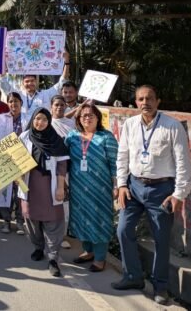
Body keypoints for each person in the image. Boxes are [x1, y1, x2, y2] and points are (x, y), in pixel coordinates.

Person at [112, 85, 191, 305]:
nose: (144, 103)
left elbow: (184, 163)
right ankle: (133, 277)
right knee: (123, 230)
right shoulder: (130, 124)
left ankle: (160, 286)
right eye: (140, 99)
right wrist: (122, 184)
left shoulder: (172, 126)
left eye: (149, 98)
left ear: (158, 101)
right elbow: (122, 155)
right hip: (134, 187)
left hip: (162, 190)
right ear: (136, 102)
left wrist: (178, 194)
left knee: (161, 239)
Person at [64, 102, 118, 273]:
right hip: (78, 188)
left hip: (100, 189)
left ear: (98, 118)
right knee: (81, 219)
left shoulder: (106, 137)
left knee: (99, 220)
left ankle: (100, 258)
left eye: (91, 115)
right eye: (84, 115)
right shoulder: (72, 136)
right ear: (79, 119)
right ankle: (88, 251)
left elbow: (115, 164)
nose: (87, 118)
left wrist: (116, 186)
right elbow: (63, 159)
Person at [18, 108, 69, 277]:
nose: (40, 122)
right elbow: (13, 160)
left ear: (49, 122)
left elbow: (62, 166)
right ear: (32, 119)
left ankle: (53, 258)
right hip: (29, 185)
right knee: (32, 219)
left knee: (53, 221)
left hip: (50, 186)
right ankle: (38, 247)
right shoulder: (24, 137)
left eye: (44, 120)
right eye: (37, 119)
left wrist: (60, 187)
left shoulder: (55, 139)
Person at [0, 52, 71, 119]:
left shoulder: (46, 94)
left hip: (41, 126)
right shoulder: (18, 95)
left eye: (32, 81)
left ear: (36, 82)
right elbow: (4, 84)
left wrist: (67, 62)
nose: (30, 83)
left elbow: (62, 82)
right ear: (23, 83)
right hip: (22, 127)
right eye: (27, 81)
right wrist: (3, 63)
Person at [50, 94, 77, 249]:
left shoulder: (72, 124)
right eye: (56, 105)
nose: (59, 107)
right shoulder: (46, 123)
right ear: (51, 107)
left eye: (62, 105)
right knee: (49, 202)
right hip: (48, 170)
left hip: (66, 169)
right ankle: (49, 234)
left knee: (64, 204)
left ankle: (62, 236)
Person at [0, 92, 25, 235]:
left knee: (20, 192)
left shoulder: (27, 120)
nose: (13, 104)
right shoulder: (2, 119)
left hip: (22, 160)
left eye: (16, 101)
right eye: (11, 101)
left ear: (21, 103)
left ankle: (20, 221)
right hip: (5, 160)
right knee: (6, 192)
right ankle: (6, 221)